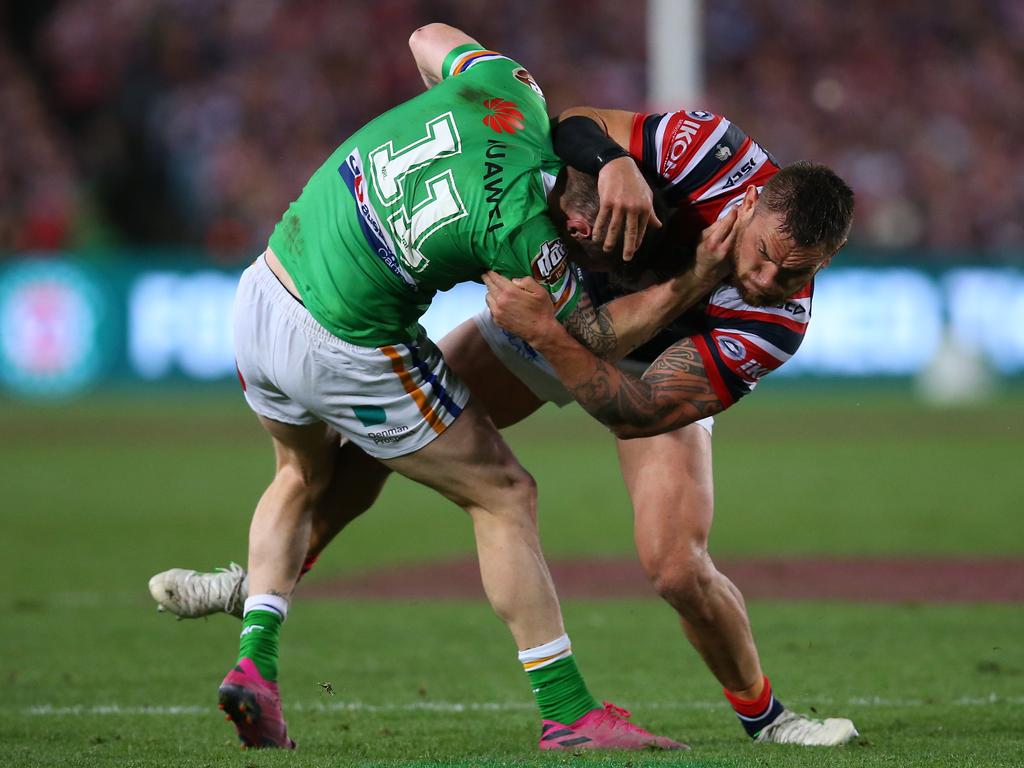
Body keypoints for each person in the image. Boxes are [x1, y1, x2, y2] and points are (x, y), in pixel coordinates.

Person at [151, 41, 859, 750]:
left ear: (824, 266)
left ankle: (767, 719)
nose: (768, 278)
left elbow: (632, 410)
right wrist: (614, 162)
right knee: (376, 451)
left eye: (794, 274)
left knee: (676, 568)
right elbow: (578, 123)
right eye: (764, 254)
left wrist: (556, 335)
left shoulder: (772, 323)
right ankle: (263, 585)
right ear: (755, 201)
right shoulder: (708, 149)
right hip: (555, 303)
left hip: (639, 362)